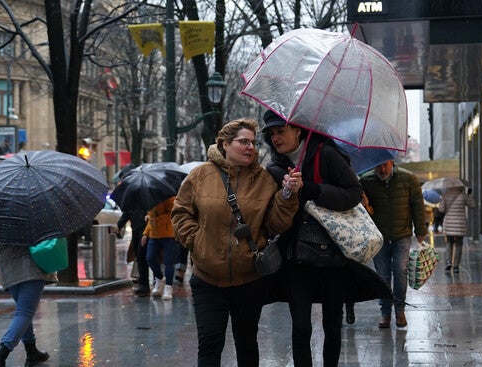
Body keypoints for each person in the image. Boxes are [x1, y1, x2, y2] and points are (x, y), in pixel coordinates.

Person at [171, 118, 301, 366]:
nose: (251, 147)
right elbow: (180, 212)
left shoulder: (264, 180)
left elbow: (276, 224)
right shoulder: (200, 175)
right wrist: (196, 241)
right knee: (209, 344)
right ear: (225, 144)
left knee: (247, 343)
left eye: (253, 142)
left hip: (249, 279)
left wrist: (287, 196)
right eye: (243, 142)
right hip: (207, 279)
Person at [262, 110, 378, 366]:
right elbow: (271, 212)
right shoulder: (274, 167)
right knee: (301, 326)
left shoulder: (325, 153)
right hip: (295, 256)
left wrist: (311, 189)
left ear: (298, 131)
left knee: (332, 325)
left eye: (281, 131)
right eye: (271, 134)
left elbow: (353, 193)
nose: (276, 138)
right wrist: (286, 195)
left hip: (333, 254)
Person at [360, 159, 427, 329]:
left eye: (385, 165)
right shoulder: (366, 181)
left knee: (400, 271)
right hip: (379, 237)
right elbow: (363, 213)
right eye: (378, 165)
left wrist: (421, 230)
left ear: (392, 163)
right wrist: (364, 204)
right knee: (382, 276)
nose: (382, 169)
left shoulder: (408, 178)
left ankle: (400, 310)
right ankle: (385, 313)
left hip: (402, 235)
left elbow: (418, 206)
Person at [0, 244, 56, 367]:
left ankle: (31, 350)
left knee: (23, 311)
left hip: (8, 267)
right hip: (31, 265)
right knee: (24, 313)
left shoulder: (0, 225)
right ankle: (0, 356)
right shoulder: (33, 224)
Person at [143, 196, 176, 300]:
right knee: (150, 258)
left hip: (168, 234)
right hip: (154, 234)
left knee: (168, 261)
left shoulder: (168, 197)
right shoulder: (149, 198)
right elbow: (150, 218)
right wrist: (146, 233)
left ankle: (168, 286)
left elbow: (172, 214)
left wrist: (157, 219)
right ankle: (160, 278)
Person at [439, 186, 476, 273]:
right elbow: (472, 205)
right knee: (459, 244)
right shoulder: (463, 196)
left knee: (449, 243)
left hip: (449, 223)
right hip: (460, 224)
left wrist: (442, 200)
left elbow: (441, 209)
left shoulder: (446, 195)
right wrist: (470, 195)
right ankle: (456, 266)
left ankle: (448, 262)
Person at [116, 206, 149, 296]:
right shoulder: (132, 199)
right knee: (140, 257)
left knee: (143, 255)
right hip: (136, 229)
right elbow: (127, 213)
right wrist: (119, 225)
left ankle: (146, 284)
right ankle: (144, 284)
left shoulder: (146, 198)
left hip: (146, 230)